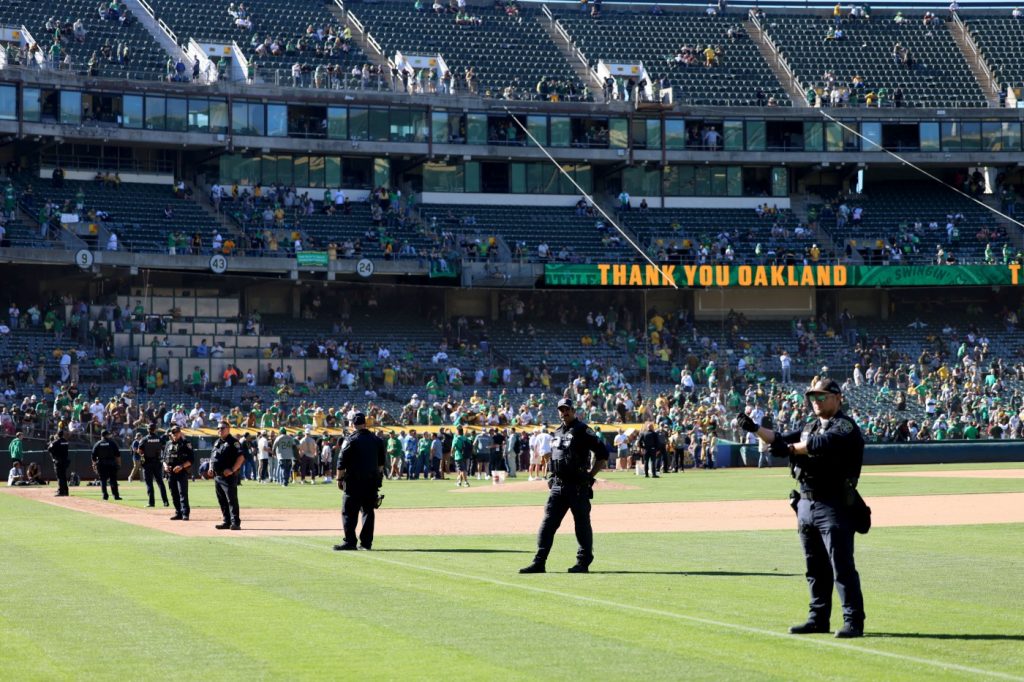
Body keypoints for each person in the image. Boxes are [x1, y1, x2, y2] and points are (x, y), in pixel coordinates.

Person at [737, 379, 866, 638]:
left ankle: (853, 621)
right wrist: (755, 429)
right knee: (814, 565)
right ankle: (818, 618)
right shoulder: (809, 425)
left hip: (834, 502)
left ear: (837, 397)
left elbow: (820, 444)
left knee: (841, 564)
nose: (815, 402)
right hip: (806, 502)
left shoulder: (845, 426)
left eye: (821, 397)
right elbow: (780, 440)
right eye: (812, 398)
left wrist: (788, 449)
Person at [520, 398, 609, 574]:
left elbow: (602, 454)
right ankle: (539, 562)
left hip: (577, 486)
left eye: (567, 409)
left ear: (574, 410)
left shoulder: (583, 430)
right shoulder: (557, 432)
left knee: (581, 525)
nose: (564, 412)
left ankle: (582, 563)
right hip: (558, 486)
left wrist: (590, 476)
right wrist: (551, 476)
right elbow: (553, 457)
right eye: (561, 409)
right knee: (548, 524)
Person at [334, 413, 385, 551]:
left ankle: (350, 542)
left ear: (353, 425)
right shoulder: (376, 440)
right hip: (371, 481)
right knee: (368, 512)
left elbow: (341, 462)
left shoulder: (350, 440)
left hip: (353, 482)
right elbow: (381, 464)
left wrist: (339, 479)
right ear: (365, 423)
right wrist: (378, 479)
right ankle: (366, 543)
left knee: (349, 512)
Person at [210, 420, 244, 530]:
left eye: (222, 428)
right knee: (222, 500)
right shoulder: (217, 442)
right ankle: (226, 521)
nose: (220, 430)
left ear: (228, 429)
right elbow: (212, 457)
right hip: (217, 476)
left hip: (228, 476)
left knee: (231, 499)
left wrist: (233, 469)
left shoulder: (233, 442)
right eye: (218, 428)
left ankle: (235, 522)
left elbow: (241, 457)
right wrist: (211, 468)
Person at [163, 425, 194, 520]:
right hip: (170, 473)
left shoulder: (186, 443)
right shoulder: (168, 444)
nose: (175, 434)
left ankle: (185, 513)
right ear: (170, 434)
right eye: (173, 433)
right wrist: (165, 466)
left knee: (182, 493)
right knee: (174, 493)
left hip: (182, 472)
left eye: (176, 432)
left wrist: (181, 466)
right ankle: (178, 512)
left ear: (180, 433)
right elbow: (163, 458)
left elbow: (191, 460)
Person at [140, 423, 169, 507]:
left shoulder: (144, 439)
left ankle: (151, 503)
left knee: (149, 483)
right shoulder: (159, 439)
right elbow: (164, 448)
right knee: (160, 483)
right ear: (155, 429)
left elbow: (140, 451)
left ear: (148, 430)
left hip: (147, 463)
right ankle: (165, 502)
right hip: (157, 462)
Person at [91, 429, 122, 500]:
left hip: (101, 465)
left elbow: (93, 456)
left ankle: (105, 496)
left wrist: (94, 465)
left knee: (103, 480)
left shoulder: (97, 444)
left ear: (101, 435)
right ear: (107, 435)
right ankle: (116, 496)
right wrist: (119, 464)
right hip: (111, 464)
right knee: (113, 480)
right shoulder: (112, 443)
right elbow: (117, 455)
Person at [48, 428, 70, 496]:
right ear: (63, 434)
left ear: (57, 434)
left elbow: (49, 448)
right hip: (65, 461)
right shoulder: (66, 441)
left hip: (58, 461)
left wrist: (54, 455)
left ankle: (60, 491)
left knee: (60, 477)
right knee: (64, 476)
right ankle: (66, 491)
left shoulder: (56, 442)